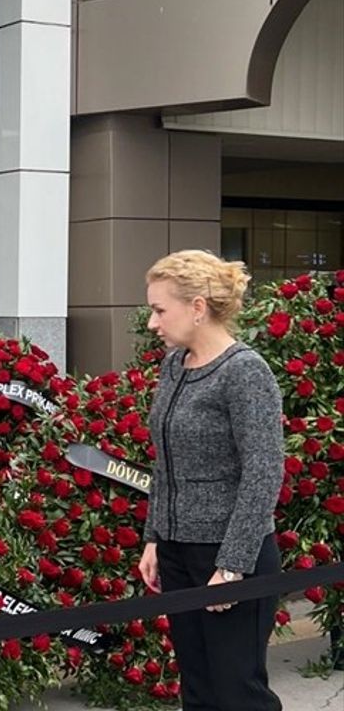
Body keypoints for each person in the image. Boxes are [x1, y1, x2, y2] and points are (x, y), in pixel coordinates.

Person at [136, 250, 283, 711]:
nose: (153, 323)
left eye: (160, 310)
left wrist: (232, 565)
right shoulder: (174, 367)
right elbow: (166, 462)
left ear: (197, 307)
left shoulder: (245, 371)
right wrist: (155, 539)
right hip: (179, 552)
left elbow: (263, 471)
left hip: (230, 556)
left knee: (238, 692)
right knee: (197, 690)